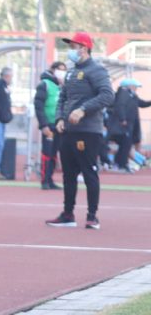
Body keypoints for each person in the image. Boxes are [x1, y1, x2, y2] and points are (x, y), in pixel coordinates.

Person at [46, 32, 114, 230]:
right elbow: (62, 98)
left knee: (89, 172)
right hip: (68, 131)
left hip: (88, 131)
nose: (71, 51)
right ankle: (68, 214)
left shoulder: (97, 70)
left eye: (73, 46)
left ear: (84, 48)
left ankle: (92, 216)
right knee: (68, 174)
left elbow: (107, 96)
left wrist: (83, 109)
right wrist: (59, 118)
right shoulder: (71, 72)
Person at [34, 61, 67, 190]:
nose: (62, 72)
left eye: (64, 70)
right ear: (52, 70)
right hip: (49, 124)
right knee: (47, 152)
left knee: (54, 153)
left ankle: (50, 179)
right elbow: (39, 106)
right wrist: (44, 125)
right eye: (60, 69)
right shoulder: (45, 85)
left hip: (59, 124)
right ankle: (44, 180)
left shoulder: (62, 86)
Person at [107, 78, 151, 173]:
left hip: (129, 125)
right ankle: (121, 165)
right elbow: (120, 105)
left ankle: (120, 164)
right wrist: (122, 119)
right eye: (135, 86)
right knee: (125, 145)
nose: (136, 88)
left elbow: (142, 103)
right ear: (129, 86)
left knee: (126, 145)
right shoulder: (123, 93)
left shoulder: (132, 95)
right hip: (122, 125)